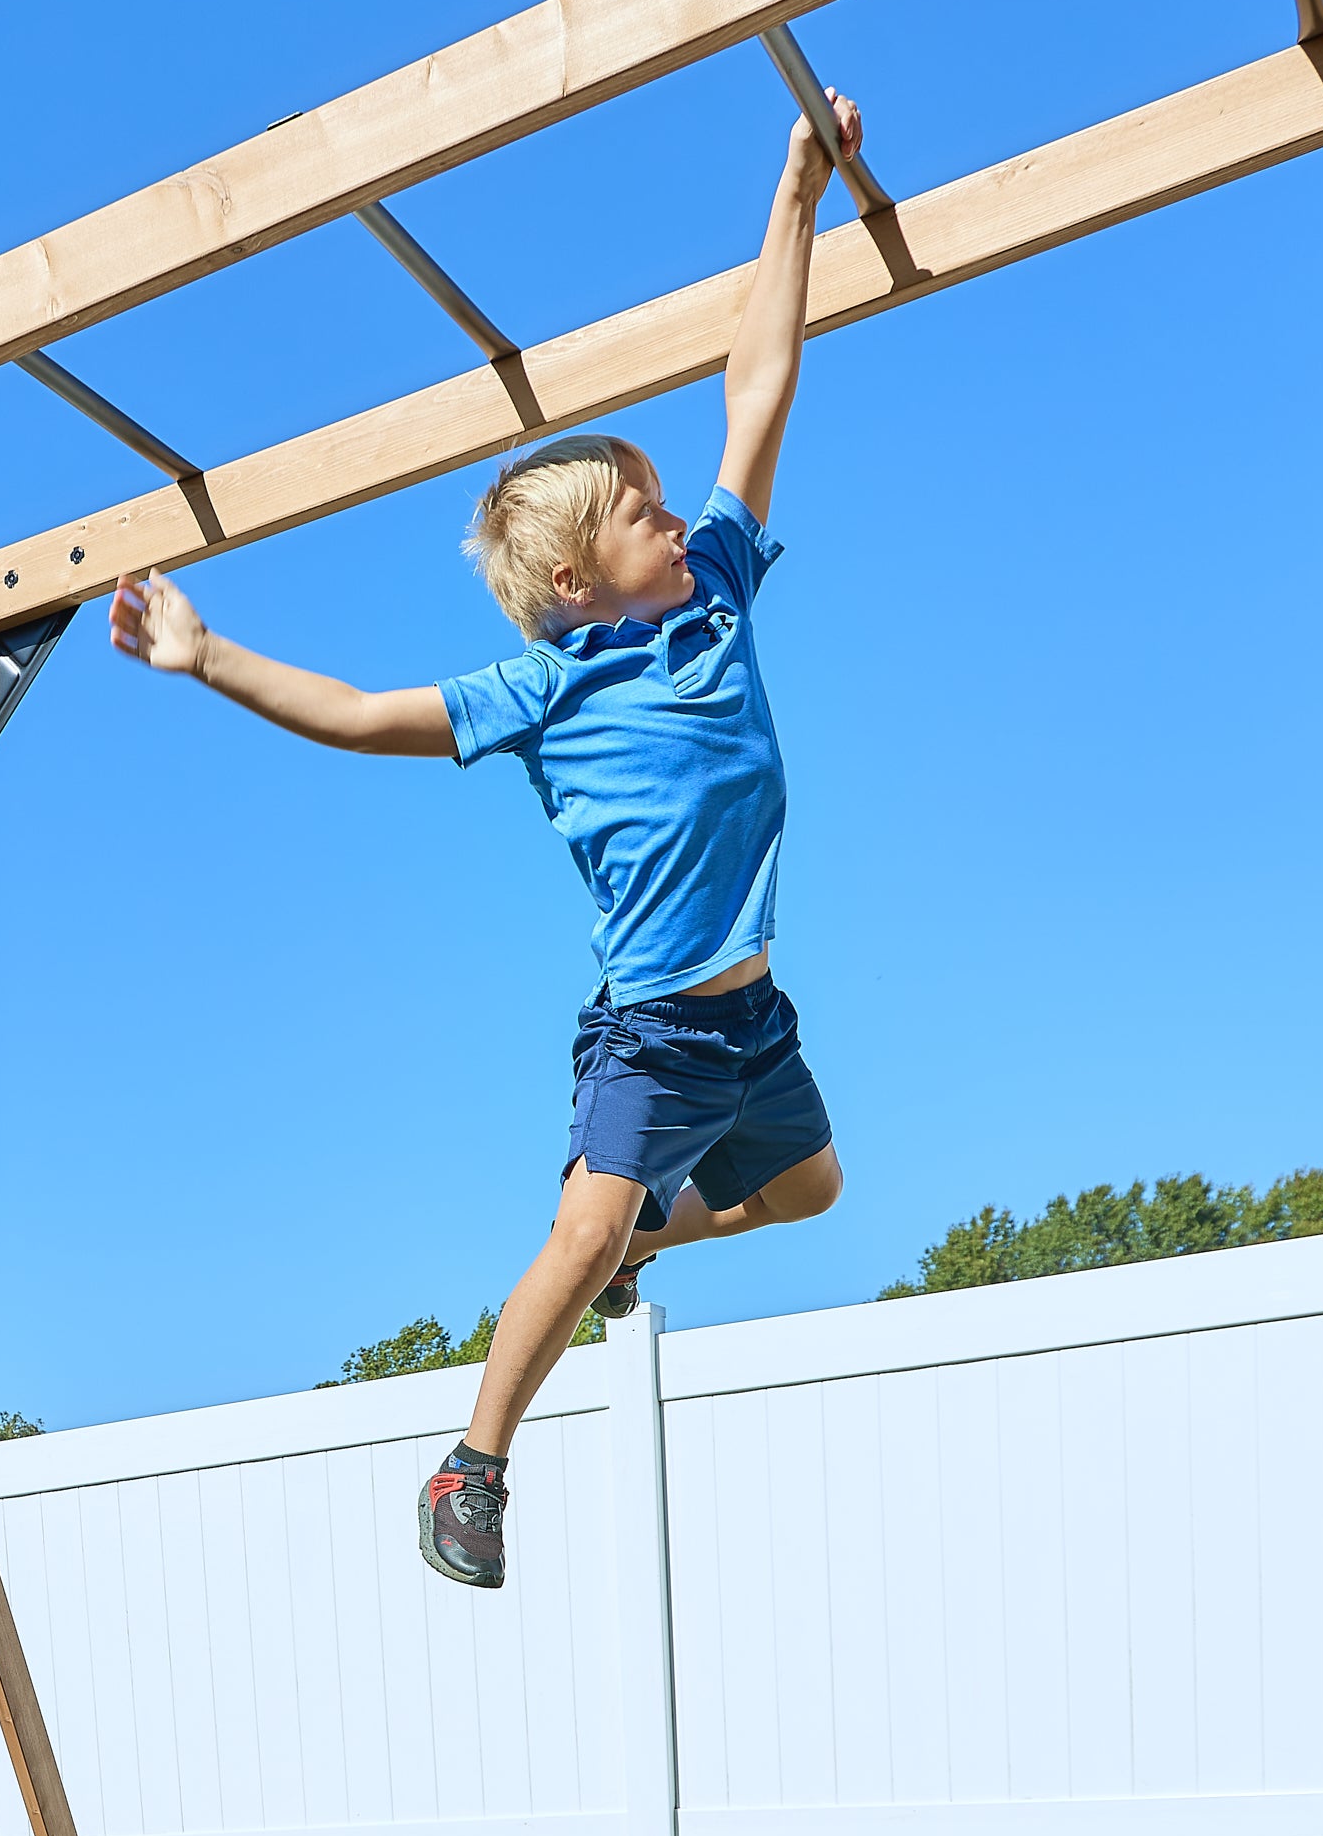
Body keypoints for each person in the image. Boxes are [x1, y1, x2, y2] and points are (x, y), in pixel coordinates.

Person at [109, 90, 863, 1590]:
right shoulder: (539, 687)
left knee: (810, 1191)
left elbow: (757, 388)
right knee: (577, 1235)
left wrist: (799, 189)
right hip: (652, 1030)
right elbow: (356, 712)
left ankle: (644, 1244)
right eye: (644, 511)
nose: (675, 515)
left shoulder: (714, 588)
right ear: (582, 574)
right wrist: (210, 657)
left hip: (752, 1016)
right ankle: (473, 1466)